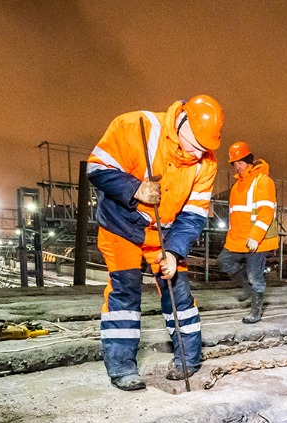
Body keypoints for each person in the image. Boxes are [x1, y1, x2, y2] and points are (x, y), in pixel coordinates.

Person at [86, 96, 222, 391]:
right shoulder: (136, 126)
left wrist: (174, 252)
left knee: (179, 293)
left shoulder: (205, 164)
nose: (198, 153)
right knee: (124, 292)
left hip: (164, 233)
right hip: (121, 227)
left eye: (205, 149)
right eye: (195, 144)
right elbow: (96, 168)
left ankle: (188, 359)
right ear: (181, 120)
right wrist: (135, 190)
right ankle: (122, 367)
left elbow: (194, 213)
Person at [219, 142, 278, 324]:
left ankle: (256, 312)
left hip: (256, 241)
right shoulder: (237, 186)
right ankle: (246, 286)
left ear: (249, 161)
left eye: (240, 162)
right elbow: (234, 216)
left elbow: (266, 212)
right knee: (223, 261)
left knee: (255, 276)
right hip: (238, 239)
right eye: (234, 163)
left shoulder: (263, 181)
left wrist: (255, 236)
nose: (237, 166)